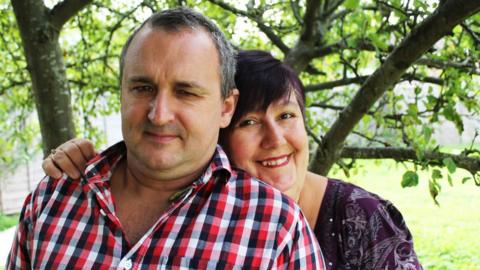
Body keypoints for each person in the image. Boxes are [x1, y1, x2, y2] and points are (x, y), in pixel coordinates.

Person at [45, 50, 422, 269]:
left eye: (288, 116)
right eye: (251, 122)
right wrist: (84, 158)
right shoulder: (202, 216)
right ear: (219, 131)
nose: (276, 139)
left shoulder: (363, 218)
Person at [7, 9, 324, 269]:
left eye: (185, 92)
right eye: (142, 88)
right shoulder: (52, 200)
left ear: (226, 108)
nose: (159, 115)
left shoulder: (276, 230)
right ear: (122, 94)